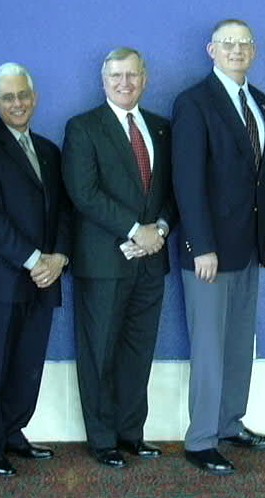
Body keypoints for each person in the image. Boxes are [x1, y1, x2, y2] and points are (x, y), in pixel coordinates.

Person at [171, 19, 265, 475]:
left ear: (253, 51)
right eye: (227, 44)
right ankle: (200, 440)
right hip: (209, 252)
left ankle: (230, 423)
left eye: (244, 44)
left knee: (239, 343)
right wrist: (201, 245)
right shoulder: (193, 102)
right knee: (210, 347)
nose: (236, 50)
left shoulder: (259, 100)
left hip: (250, 245)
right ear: (211, 50)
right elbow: (187, 180)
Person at [62, 47, 176, 468]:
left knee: (138, 350)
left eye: (132, 75)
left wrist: (159, 230)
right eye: (115, 76)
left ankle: (132, 434)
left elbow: (172, 192)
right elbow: (83, 192)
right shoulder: (83, 127)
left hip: (151, 261)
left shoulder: (162, 129)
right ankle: (103, 439)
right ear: (103, 79)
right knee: (100, 351)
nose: (124, 83)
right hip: (105, 262)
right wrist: (134, 230)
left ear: (145, 78)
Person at [0, 62, 70, 477]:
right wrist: (33, 260)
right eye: (8, 97)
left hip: (46, 277)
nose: (18, 103)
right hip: (2, 278)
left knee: (28, 361)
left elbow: (64, 211)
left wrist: (58, 258)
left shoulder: (48, 150)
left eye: (23, 94)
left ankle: (13, 431)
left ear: (34, 96)